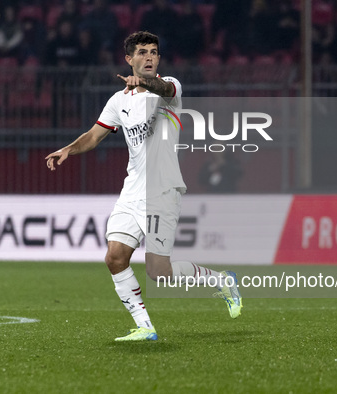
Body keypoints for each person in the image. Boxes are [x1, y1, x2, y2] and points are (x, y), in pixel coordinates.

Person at [45, 31, 242, 342]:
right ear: (129, 59)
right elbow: (95, 135)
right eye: (142, 52)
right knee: (114, 257)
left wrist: (145, 82)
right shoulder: (118, 101)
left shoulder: (170, 88)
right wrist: (69, 148)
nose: (149, 57)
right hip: (132, 190)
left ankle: (221, 280)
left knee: (158, 271)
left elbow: (162, 87)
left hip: (162, 190)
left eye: (153, 52)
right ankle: (145, 326)